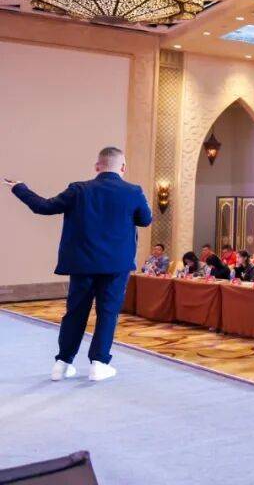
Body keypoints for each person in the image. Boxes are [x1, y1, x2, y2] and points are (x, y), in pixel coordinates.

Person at [5, 146, 152, 382]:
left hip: (82, 263)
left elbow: (43, 207)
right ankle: (99, 364)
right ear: (123, 167)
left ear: (97, 166)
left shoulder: (78, 189)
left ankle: (62, 363)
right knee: (107, 313)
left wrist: (20, 188)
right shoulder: (133, 191)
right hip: (116, 266)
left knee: (75, 312)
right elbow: (145, 220)